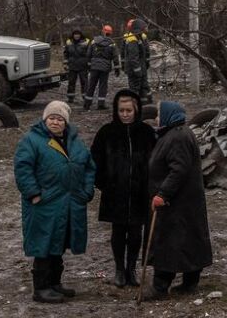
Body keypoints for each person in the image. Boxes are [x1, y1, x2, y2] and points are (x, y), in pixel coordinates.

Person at [13, 100, 96, 304]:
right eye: (51, 118)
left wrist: (86, 191)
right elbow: (23, 168)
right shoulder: (32, 140)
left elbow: (89, 167)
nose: (55, 122)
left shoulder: (75, 142)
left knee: (59, 243)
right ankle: (41, 288)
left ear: (66, 122)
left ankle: (55, 283)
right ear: (45, 119)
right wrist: (33, 193)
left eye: (60, 119)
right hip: (44, 203)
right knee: (44, 243)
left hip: (69, 203)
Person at [142, 101, 214, 300]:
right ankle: (190, 282)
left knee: (168, 243)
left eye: (159, 113)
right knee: (189, 242)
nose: (156, 118)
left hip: (176, 204)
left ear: (168, 114)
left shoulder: (177, 137)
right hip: (185, 203)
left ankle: (160, 287)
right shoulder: (177, 133)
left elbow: (179, 170)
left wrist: (163, 194)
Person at [90, 89, 157, 288]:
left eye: (129, 110)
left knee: (136, 232)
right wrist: (103, 182)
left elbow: (155, 160)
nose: (125, 114)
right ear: (116, 110)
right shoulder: (106, 132)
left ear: (136, 110)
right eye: (121, 110)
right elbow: (95, 160)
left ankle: (131, 268)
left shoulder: (146, 133)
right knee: (118, 231)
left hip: (139, 192)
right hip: (115, 193)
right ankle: (119, 269)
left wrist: (150, 184)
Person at [85, 24, 119, 110]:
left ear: (102, 31)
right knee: (103, 86)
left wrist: (89, 65)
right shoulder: (112, 43)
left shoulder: (94, 41)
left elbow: (88, 54)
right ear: (110, 33)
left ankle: (87, 104)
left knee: (91, 85)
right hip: (105, 67)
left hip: (94, 67)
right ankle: (101, 104)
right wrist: (117, 68)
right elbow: (115, 57)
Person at [122, 19, 152, 104]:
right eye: (144, 27)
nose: (146, 28)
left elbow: (144, 54)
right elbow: (133, 57)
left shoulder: (139, 36)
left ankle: (144, 104)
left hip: (140, 67)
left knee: (143, 87)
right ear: (140, 27)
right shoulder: (132, 39)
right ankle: (133, 106)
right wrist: (137, 70)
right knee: (135, 88)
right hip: (134, 69)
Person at [62, 29, 90, 103]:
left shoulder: (86, 42)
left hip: (83, 66)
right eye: (75, 34)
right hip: (72, 66)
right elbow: (66, 54)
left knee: (84, 82)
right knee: (71, 82)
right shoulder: (69, 42)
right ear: (73, 35)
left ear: (80, 35)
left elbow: (89, 54)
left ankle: (85, 97)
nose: (76, 36)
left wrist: (89, 64)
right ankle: (70, 98)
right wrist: (65, 64)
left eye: (78, 34)